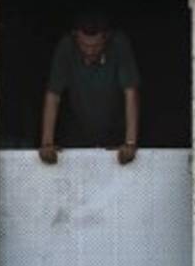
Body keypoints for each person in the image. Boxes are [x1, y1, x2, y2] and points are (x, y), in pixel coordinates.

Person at [38, 11, 140, 165]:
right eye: (84, 45)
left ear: (106, 38)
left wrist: (130, 143)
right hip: (76, 132)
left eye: (96, 46)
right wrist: (46, 143)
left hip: (115, 132)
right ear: (75, 37)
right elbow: (53, 95)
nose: (90, 51)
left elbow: (131, 92)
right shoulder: (66, 47)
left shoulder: (119, 44)